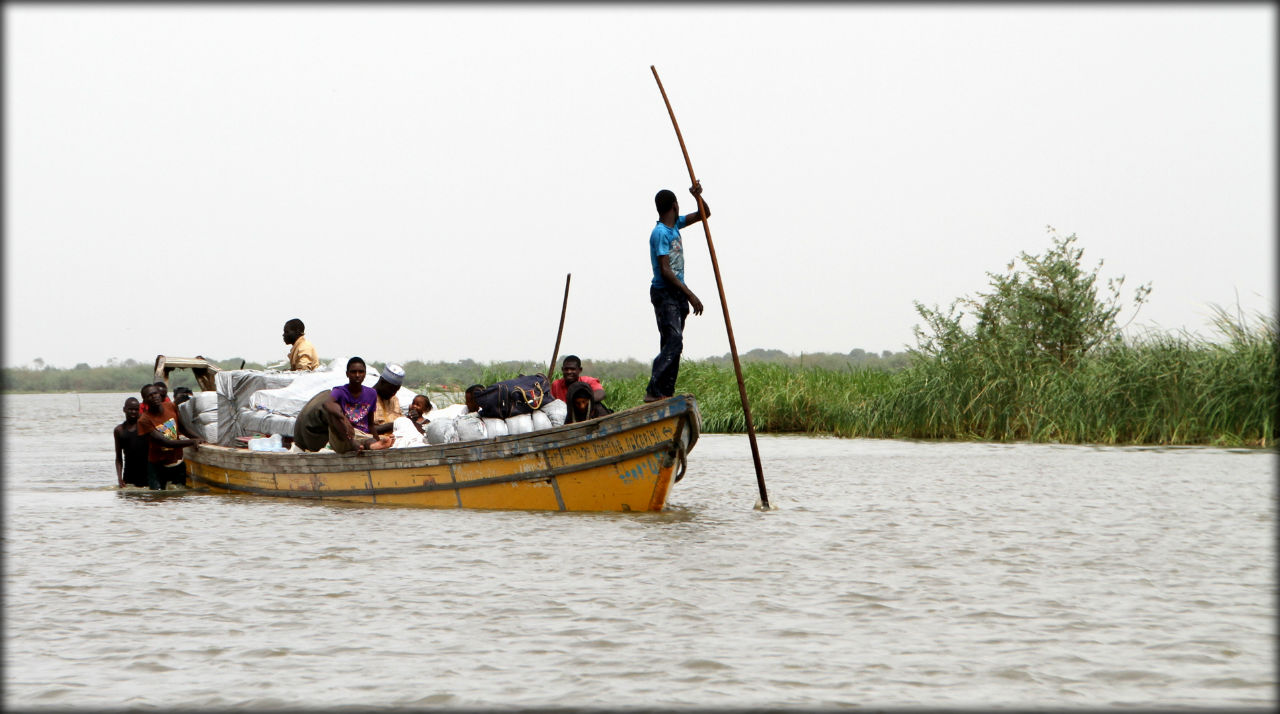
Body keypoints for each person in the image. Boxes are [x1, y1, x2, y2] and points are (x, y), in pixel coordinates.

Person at [645, 180, 709, 402]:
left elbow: (704, 214)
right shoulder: (660, 233)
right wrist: (690, 294)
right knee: (674, 341)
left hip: (676, 294)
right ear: (674, 205)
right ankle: (654, 390)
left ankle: (665, 392)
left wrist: (697, 196)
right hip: (665, 294)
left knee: (673, 344)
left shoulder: (676, 225)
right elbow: (665, 271)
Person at [293, 356, 390, 453]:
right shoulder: (339, 391)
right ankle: (353, 444)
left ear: (365, 374)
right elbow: (328, 403)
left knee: (369, 440)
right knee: (333, 414)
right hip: (344, 436)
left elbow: (370, 424)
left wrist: (377, 440)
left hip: (362, 436)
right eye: (353, 372)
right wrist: (343, 419)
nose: (357, 375)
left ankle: (372, 445)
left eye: (361, 372)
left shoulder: (371, 394)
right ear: (347, 374)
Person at [136, 384, 204, 490]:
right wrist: (192, 441)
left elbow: (184, 429)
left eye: (155, 393)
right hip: (157, 466)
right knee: (158, 497)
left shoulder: (170, 406)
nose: (154, 396)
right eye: (150, 395)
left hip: (177, 462)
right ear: (144, 401)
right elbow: (165, 442)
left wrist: (201, 440)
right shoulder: (144, 420)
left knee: (179, 494)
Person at [113, 397, 150, 488]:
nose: (133, 412)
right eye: (130, 409)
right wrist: (119, 478)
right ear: (124, 410)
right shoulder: (119, 430)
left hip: (148, 471)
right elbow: (118, 457)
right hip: (129, 473)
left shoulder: (146, 425)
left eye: (136, 409)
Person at [371, 363, 406, 438]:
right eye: (391, 389)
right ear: (382, 382)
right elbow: (364, 429)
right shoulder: (366, 398)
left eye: (396, 390)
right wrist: (393, 425)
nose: (393, 393)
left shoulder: (394, 400)